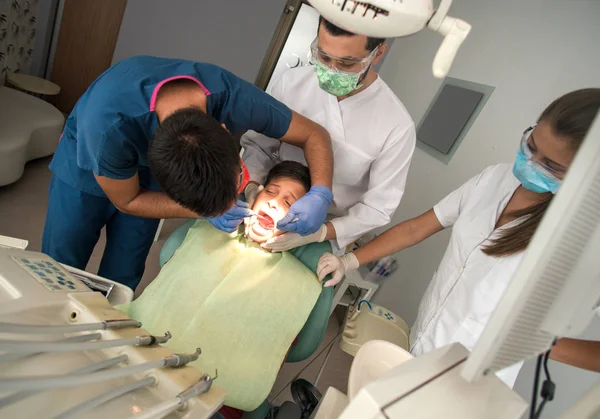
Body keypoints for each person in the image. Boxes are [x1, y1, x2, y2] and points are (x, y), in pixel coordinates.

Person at [317, 88, 600, 387]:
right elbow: (418, 228)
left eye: (551, 165)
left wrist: (535, 343)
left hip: (472, 383)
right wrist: (348, 260)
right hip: (421, 345)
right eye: (530, 145)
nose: (530, 162)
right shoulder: (493, 179)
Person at [42, 55, 334, 290]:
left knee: (124, 269)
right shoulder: (108, 127)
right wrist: (206, 211)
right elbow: (127, 201)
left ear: (223, 128)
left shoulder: (234, 98)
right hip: (83, 165)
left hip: (162, 156)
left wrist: (321, 192)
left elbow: (313, 135)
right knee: (60, 264)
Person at [121, 161, 329, 414]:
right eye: (271, 192)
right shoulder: (207, 235)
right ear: (254, 196)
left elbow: (279, 350)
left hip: (212, 399)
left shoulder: (298, 285)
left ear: (300, 223)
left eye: (288, 202)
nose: (274, 202)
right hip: (138, 365)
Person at [241, 17, 416, 254]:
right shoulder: (291, 83)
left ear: (377, 54)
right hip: (262, 208)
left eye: (346, 63)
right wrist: (252, 187)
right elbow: (260, 146)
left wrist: (319, 233)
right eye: (323, 57)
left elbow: (377, 208)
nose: (330, 70)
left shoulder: (396, 126)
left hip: (324, 231)